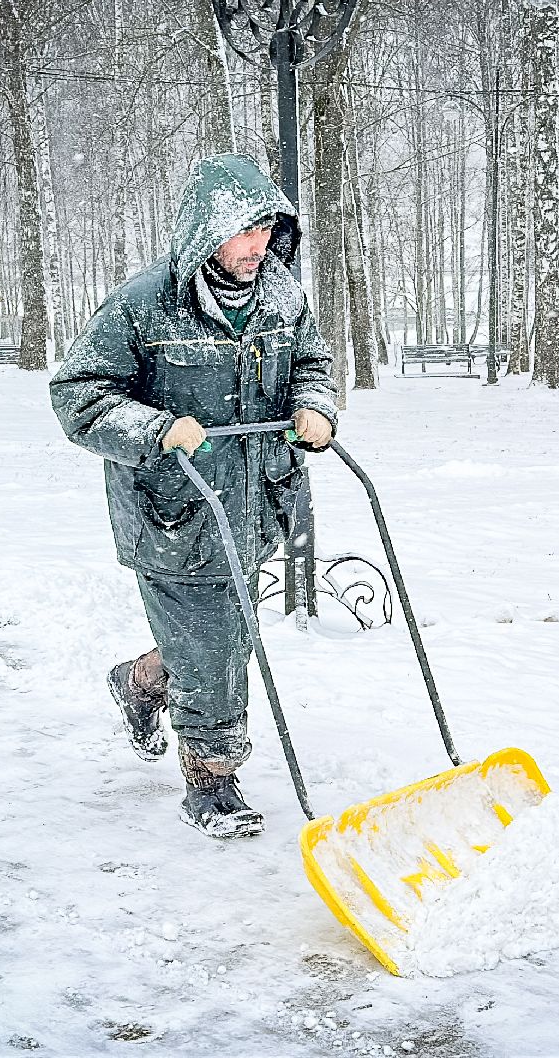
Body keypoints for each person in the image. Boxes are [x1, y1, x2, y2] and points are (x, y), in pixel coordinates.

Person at [49, 153, 337, 840]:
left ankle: (142, 682)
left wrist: (315, 406)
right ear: (207, 232)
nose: (258, 245)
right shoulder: (143, 304)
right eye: (244, 231)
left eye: (268, 228)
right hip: (173, 512)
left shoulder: (281, 296)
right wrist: (156, 428)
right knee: (213, 644)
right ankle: (211, 780)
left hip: (253, 505)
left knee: (223, 633)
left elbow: (312, 364)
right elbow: (78, 395)